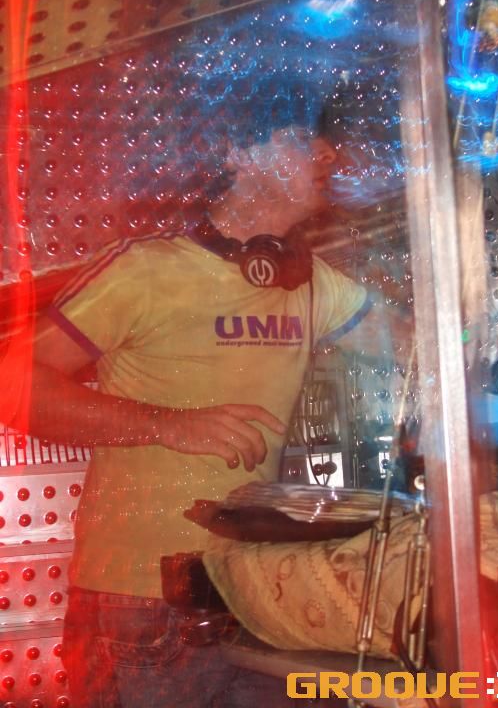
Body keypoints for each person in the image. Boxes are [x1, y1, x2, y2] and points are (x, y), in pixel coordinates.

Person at [13, 81, 405, 707]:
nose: (326, 154)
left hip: (256, 591)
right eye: (302, 137)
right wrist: (166, 424)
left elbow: (419, 345)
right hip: (142, 603)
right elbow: (14, 386)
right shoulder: (146, 270)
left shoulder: (312, 285)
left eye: (328, 141)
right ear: (238, 153)